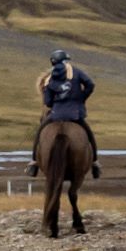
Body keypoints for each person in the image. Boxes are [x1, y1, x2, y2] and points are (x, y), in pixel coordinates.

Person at [29, 48, 101, 179]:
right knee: (89, 134)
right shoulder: (77, 73)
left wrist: (56, 103)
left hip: (56, 114)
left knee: (39, 133)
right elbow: (90, 84)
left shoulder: (49, 79)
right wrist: (81, 98)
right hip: (75, 113)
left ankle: (34, 163)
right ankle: (95, 163)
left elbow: (48, 102)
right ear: (66, 61)